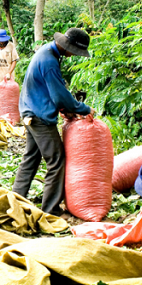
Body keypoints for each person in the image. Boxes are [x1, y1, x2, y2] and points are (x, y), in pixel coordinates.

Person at [12, 28, 95, 216]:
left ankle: (16, 198)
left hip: (29, 111)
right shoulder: (49, 60)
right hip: (39, 116)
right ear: (68, 46)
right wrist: (82, 108)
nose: (74, 55)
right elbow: (59, 96)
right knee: (56, 160)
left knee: (31, 158)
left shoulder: (47, 52)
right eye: (74, 51)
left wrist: (67, 109)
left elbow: (54, 89)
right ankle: (51, 209)